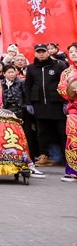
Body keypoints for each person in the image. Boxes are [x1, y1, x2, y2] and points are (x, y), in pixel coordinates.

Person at [24, 43, 67, 168]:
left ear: (48, 52)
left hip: (56, 104)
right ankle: (44, 155)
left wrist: (65, 102)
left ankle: (68, 156)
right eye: (39, 52)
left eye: (43, 51)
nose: (41, 54)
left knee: (62, 131)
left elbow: (64, 84)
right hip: (39, 104)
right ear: (35, 53)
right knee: (41, 131)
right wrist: (28, 103)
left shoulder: (59, 66)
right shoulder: (31, 68)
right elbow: (27, 86)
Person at [57, 42, 77, 182]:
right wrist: (71, 92)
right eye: (71, 52)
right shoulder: (67, 72)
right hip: (73, 110)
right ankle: (72, 171)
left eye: (76, 51)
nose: (74, 54)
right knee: (72, 140)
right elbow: (61, 88)